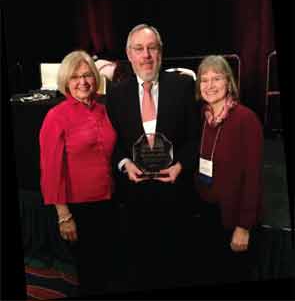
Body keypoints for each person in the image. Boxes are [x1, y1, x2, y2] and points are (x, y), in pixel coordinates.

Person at [106, 24, 199, 291]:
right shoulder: (116, 94)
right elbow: (112, 145)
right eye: (139, 49)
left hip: (175, 191)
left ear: (160, 52)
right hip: (135, 195)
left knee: (177, 266)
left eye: (152, 48)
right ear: (129, 54)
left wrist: (181, 165)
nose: (146, 55)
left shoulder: (182, 86)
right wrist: (125, 164)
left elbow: (195, 139)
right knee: (141, 267)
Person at [39, 50, 117, 297]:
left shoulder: (104, 110)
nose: (82, 82)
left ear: (95, 78)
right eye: (75, 77)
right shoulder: (56, 116)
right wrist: (63, 215)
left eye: (87, 75)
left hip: (109, 201)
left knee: (108, 267)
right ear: (66, 81)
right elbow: (50, 171)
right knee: (90, 274)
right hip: (79, 208)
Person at [194, 55, 264, 284]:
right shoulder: (202, 117)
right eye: (204, 80)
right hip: (207, 212)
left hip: (233, 218)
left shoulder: (246, 119)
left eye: (216, 78)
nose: (210, 85)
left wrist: (244, 226)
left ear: (229, 82)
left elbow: (254, 178)